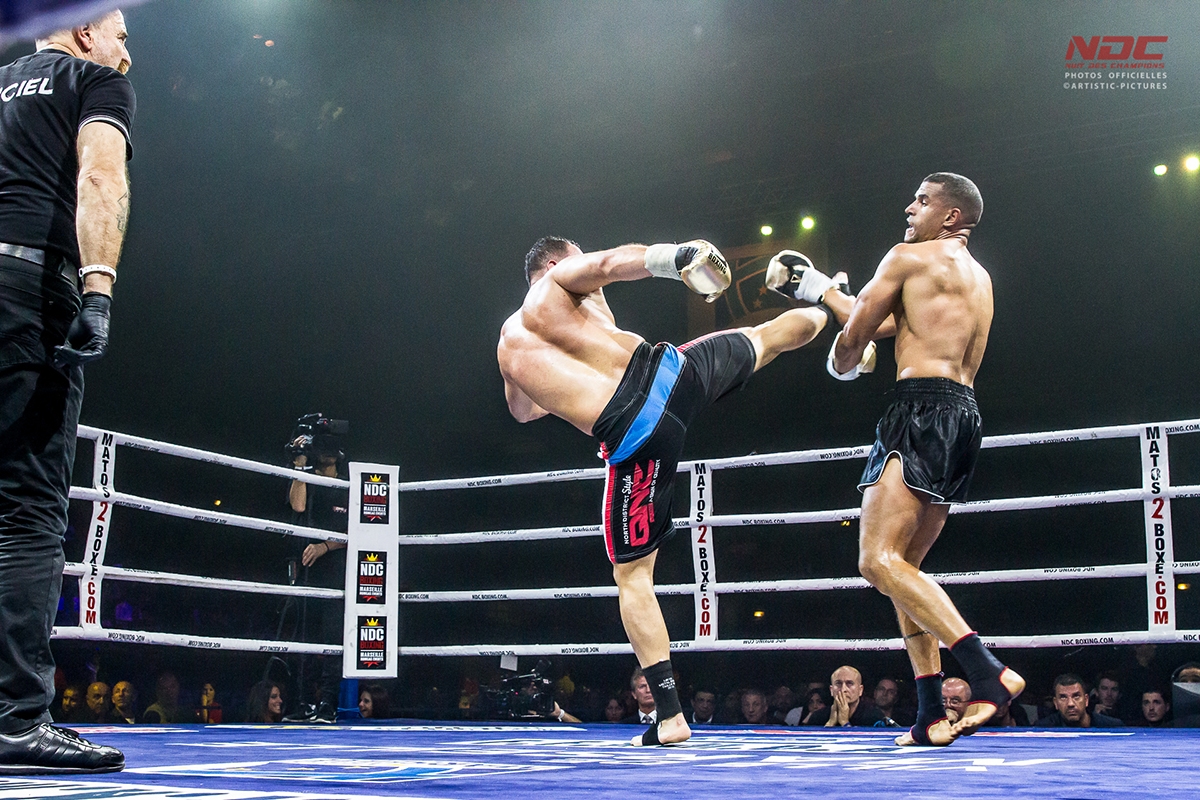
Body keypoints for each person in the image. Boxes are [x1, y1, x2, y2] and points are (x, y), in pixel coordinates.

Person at [498, 237, 831, 745]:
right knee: (765, 338)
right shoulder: (560, 280)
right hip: (672, 375)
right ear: (556, 262)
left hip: (636, 436)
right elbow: (610, 263)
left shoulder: (509, 349)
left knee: (633, 578)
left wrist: (561, 384)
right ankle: (833, 308)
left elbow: (523, 412)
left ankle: (670, 715)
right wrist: (677, 257)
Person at [789, 173, 1024, 746]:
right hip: (962, 414)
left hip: (918, 409)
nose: (908, 208)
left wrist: (842, 362)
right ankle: (930, 713)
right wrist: (821, 289)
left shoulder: (906, 256)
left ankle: (988, 671)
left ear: (950, 215)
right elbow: (899, 321)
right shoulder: (977, 276)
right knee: (904, 570)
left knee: (875, 561)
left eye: (922, 200)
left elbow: (856, 338)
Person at [0, 9, 133, 774]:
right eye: (121, 34)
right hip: (28, 292)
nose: (127, 53)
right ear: (83, 31)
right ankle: (17, 719)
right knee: (27, 509)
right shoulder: (91, 81)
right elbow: (99, 176)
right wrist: (98, 289)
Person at [282, 433, 348, 724]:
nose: (328, 451)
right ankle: (304, 701)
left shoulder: (348, 485)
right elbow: (297, 506)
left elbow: (359, 528)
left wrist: (324, 546)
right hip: (307, 570)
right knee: (304, 639)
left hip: (336, 571)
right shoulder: (306, 479)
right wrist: (299, 464)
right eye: (323, 445)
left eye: (332, 446)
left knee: (333, 639)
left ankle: (328, 704)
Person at [805, 666, 885, 727]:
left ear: (860, 690)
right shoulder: (818, 717)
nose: (843, 689)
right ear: (831, 690)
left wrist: (844, 722)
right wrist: (830, 723)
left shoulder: (874, 717)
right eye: (838, 683)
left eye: (849, 683)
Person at [1035, 674, 1123, 728]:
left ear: (1086, 700)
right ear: (1055, 703)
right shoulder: (1042, 729)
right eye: (1063, 697)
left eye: (1076, 696)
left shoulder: (1112, 726)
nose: (1070, 704)